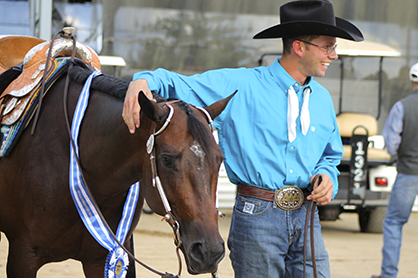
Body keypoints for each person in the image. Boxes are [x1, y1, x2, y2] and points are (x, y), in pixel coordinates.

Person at [123, 0, 363, 277]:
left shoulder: (321, 99)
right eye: (328, 46)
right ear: (299, 47)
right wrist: (142, 81)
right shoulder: (240, 85)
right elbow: (178, 83)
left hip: (308, 217)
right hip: (257, 217)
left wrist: (327, 175)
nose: (334, 55)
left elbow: (330, 155)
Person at [372, 63, 418, 278]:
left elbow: (391, 144)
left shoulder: (402, 106)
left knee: (393, 223)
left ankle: (389, 274)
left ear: (412, 80)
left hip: (408, 173)